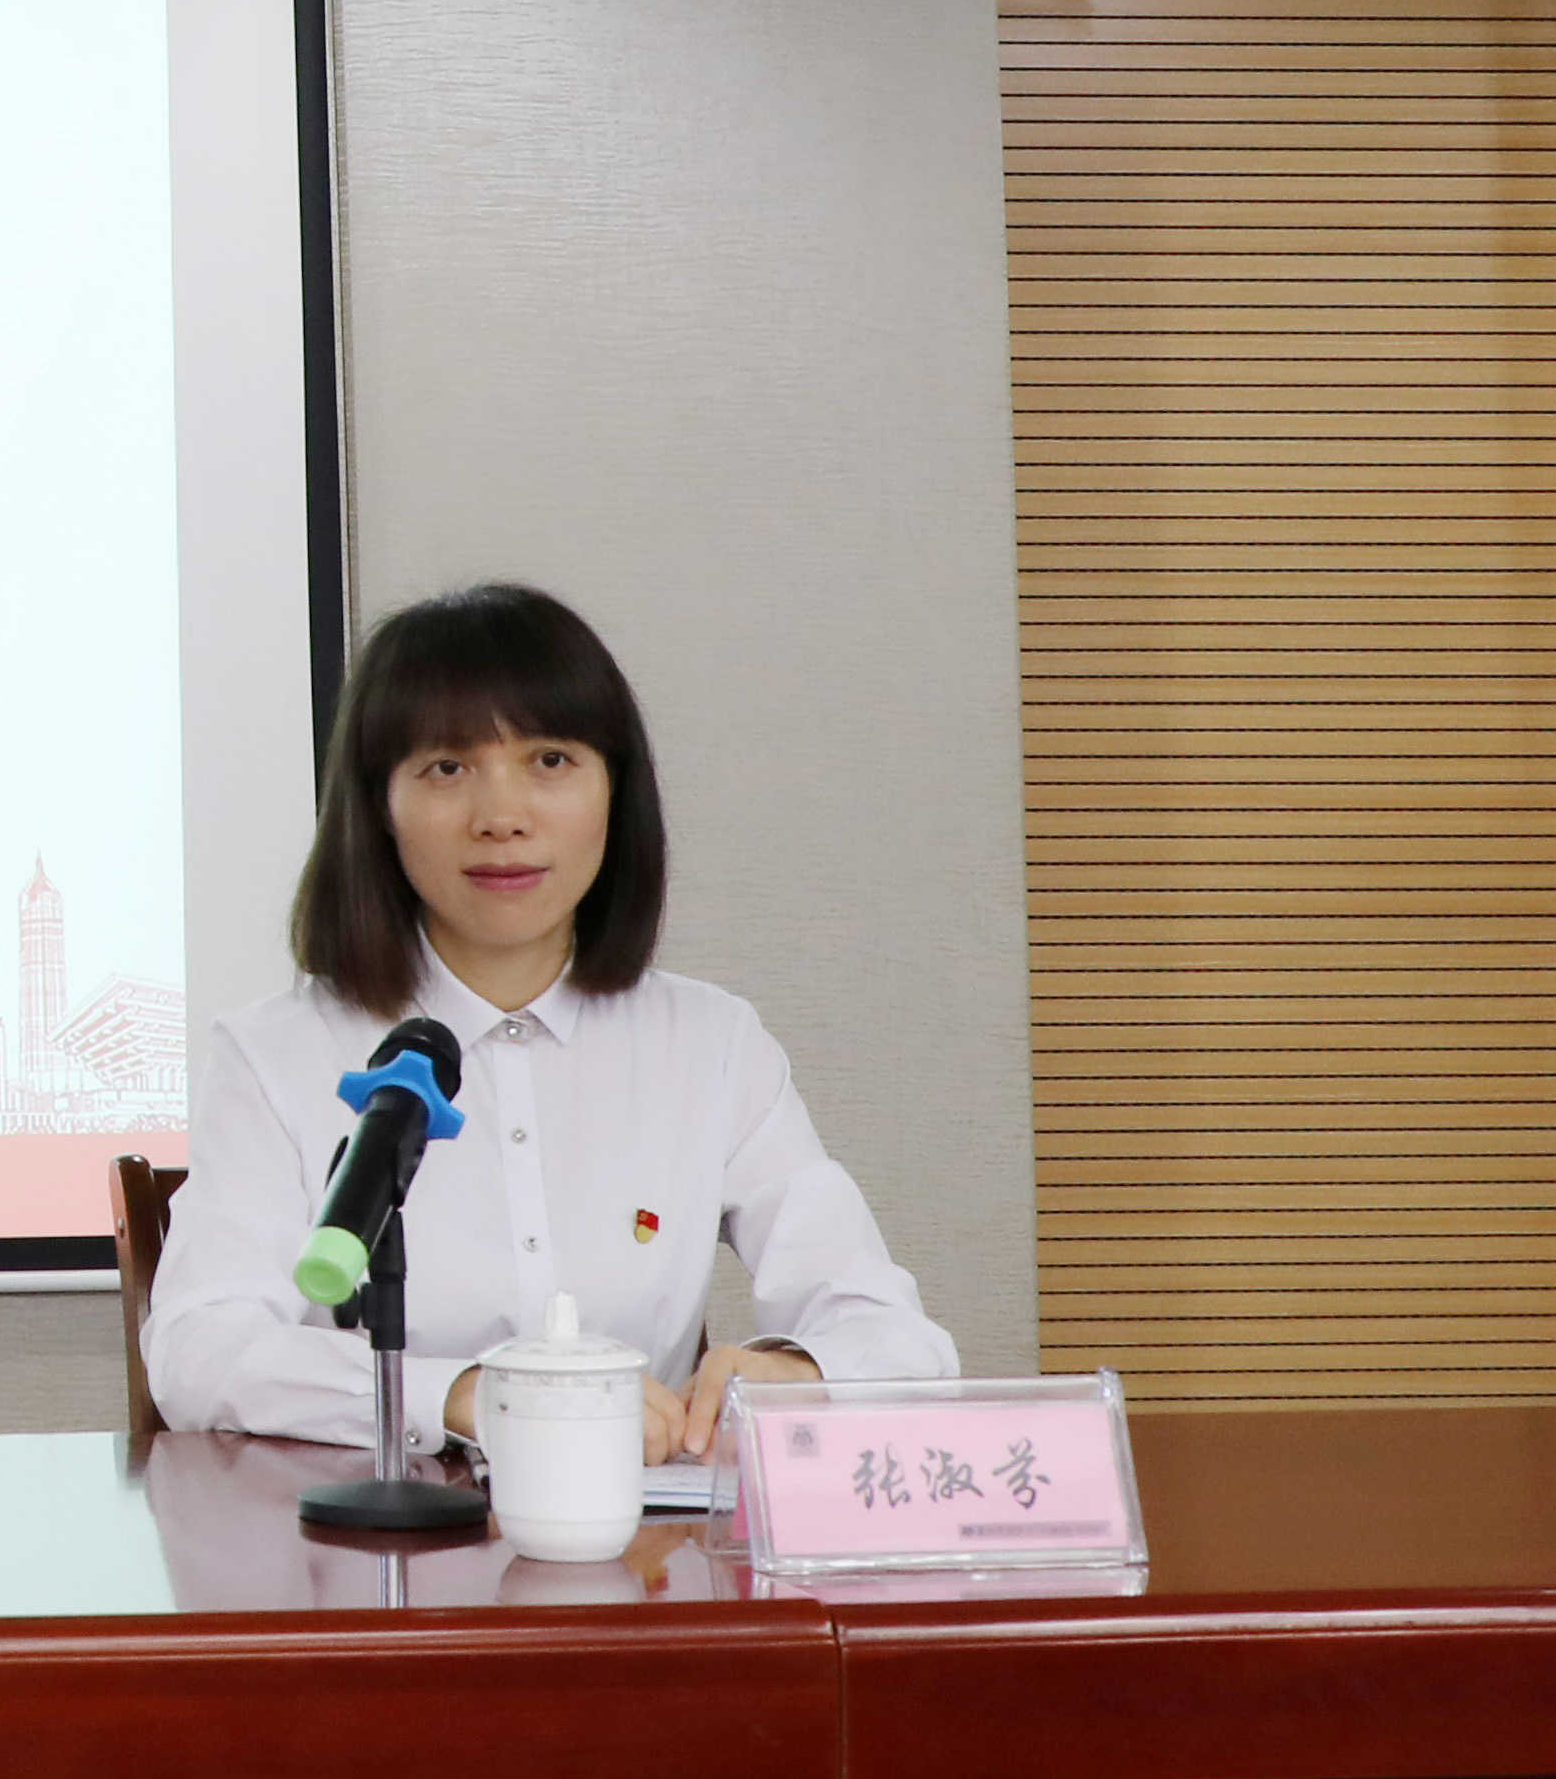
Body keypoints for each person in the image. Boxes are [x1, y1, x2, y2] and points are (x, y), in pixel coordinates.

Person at [143, 584, 952, 1459]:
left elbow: (896, 1336)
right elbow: (198, 1350)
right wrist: (465, 1395)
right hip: (370, 1532)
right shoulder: (274, 1055)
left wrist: (803, 1370)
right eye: (446, 768)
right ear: (377, 806)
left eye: (550, 760)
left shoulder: (711, 1046)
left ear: (615, 792)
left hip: (642, 1535)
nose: (502, 818)